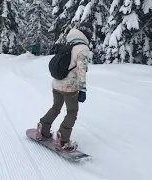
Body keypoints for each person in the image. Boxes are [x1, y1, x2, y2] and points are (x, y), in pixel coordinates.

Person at [36, 22, 93, 151]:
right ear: (87, 35)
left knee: (56, 107)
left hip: (56, 83)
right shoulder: (82, 49)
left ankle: (43, 128)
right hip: (69, 87)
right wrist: (82, 89)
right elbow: (81, 70)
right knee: (72, 112)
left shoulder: (69, 44)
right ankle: (63, 139)